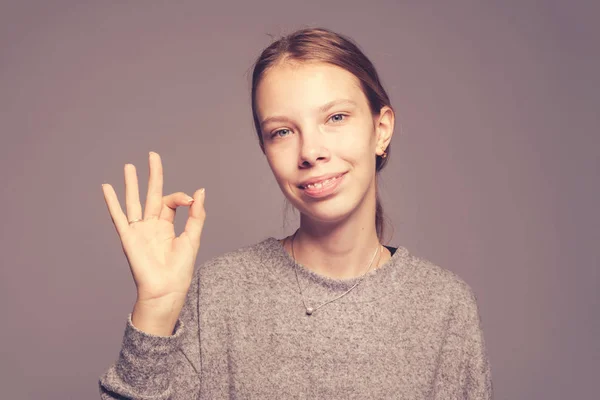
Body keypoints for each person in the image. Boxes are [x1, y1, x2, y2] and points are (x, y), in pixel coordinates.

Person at [98, 27, 492, 399]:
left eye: (335, 118)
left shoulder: (445, 306)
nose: (309, 152)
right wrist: (156, 305)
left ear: (382, 129)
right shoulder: (221, 293)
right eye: (282, 131)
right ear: (266, 151)